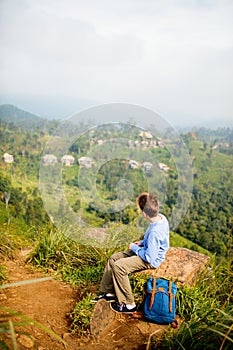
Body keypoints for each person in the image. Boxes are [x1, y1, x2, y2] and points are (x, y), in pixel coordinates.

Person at [92, 192, 169, 314]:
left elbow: (149, 257)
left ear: (144, 213)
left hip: (150, 259)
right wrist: (142, 243)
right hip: (146, 249)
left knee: (119, 267)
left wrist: (134, 248)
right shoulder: (161, 218)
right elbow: (155, 241)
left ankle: (128, 303)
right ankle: (109, 292)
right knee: (113, 259)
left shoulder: (155, 232)